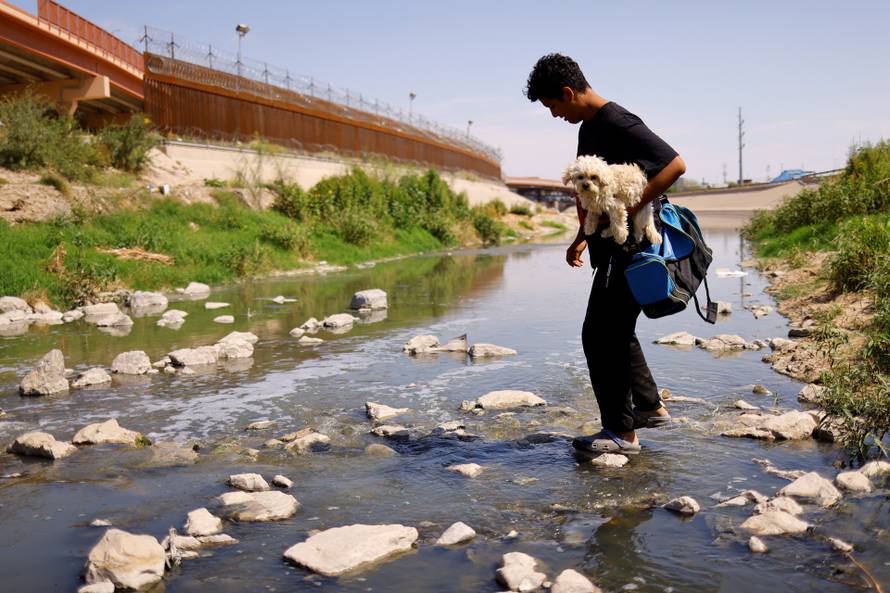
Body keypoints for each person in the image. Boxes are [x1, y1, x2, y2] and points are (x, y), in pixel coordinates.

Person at [525, 53, 686, 454]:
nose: (554, 115)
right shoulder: (592, 126)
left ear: (567, 92)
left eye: (554, 106)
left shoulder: (617, 121)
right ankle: (649, 408)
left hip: (627, 249)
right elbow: (594, 193)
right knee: (616, 330)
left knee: (598, 335)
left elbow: (675, 165)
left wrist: (631, 210)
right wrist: (582, 235)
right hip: (610, 247)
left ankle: (621, 433)